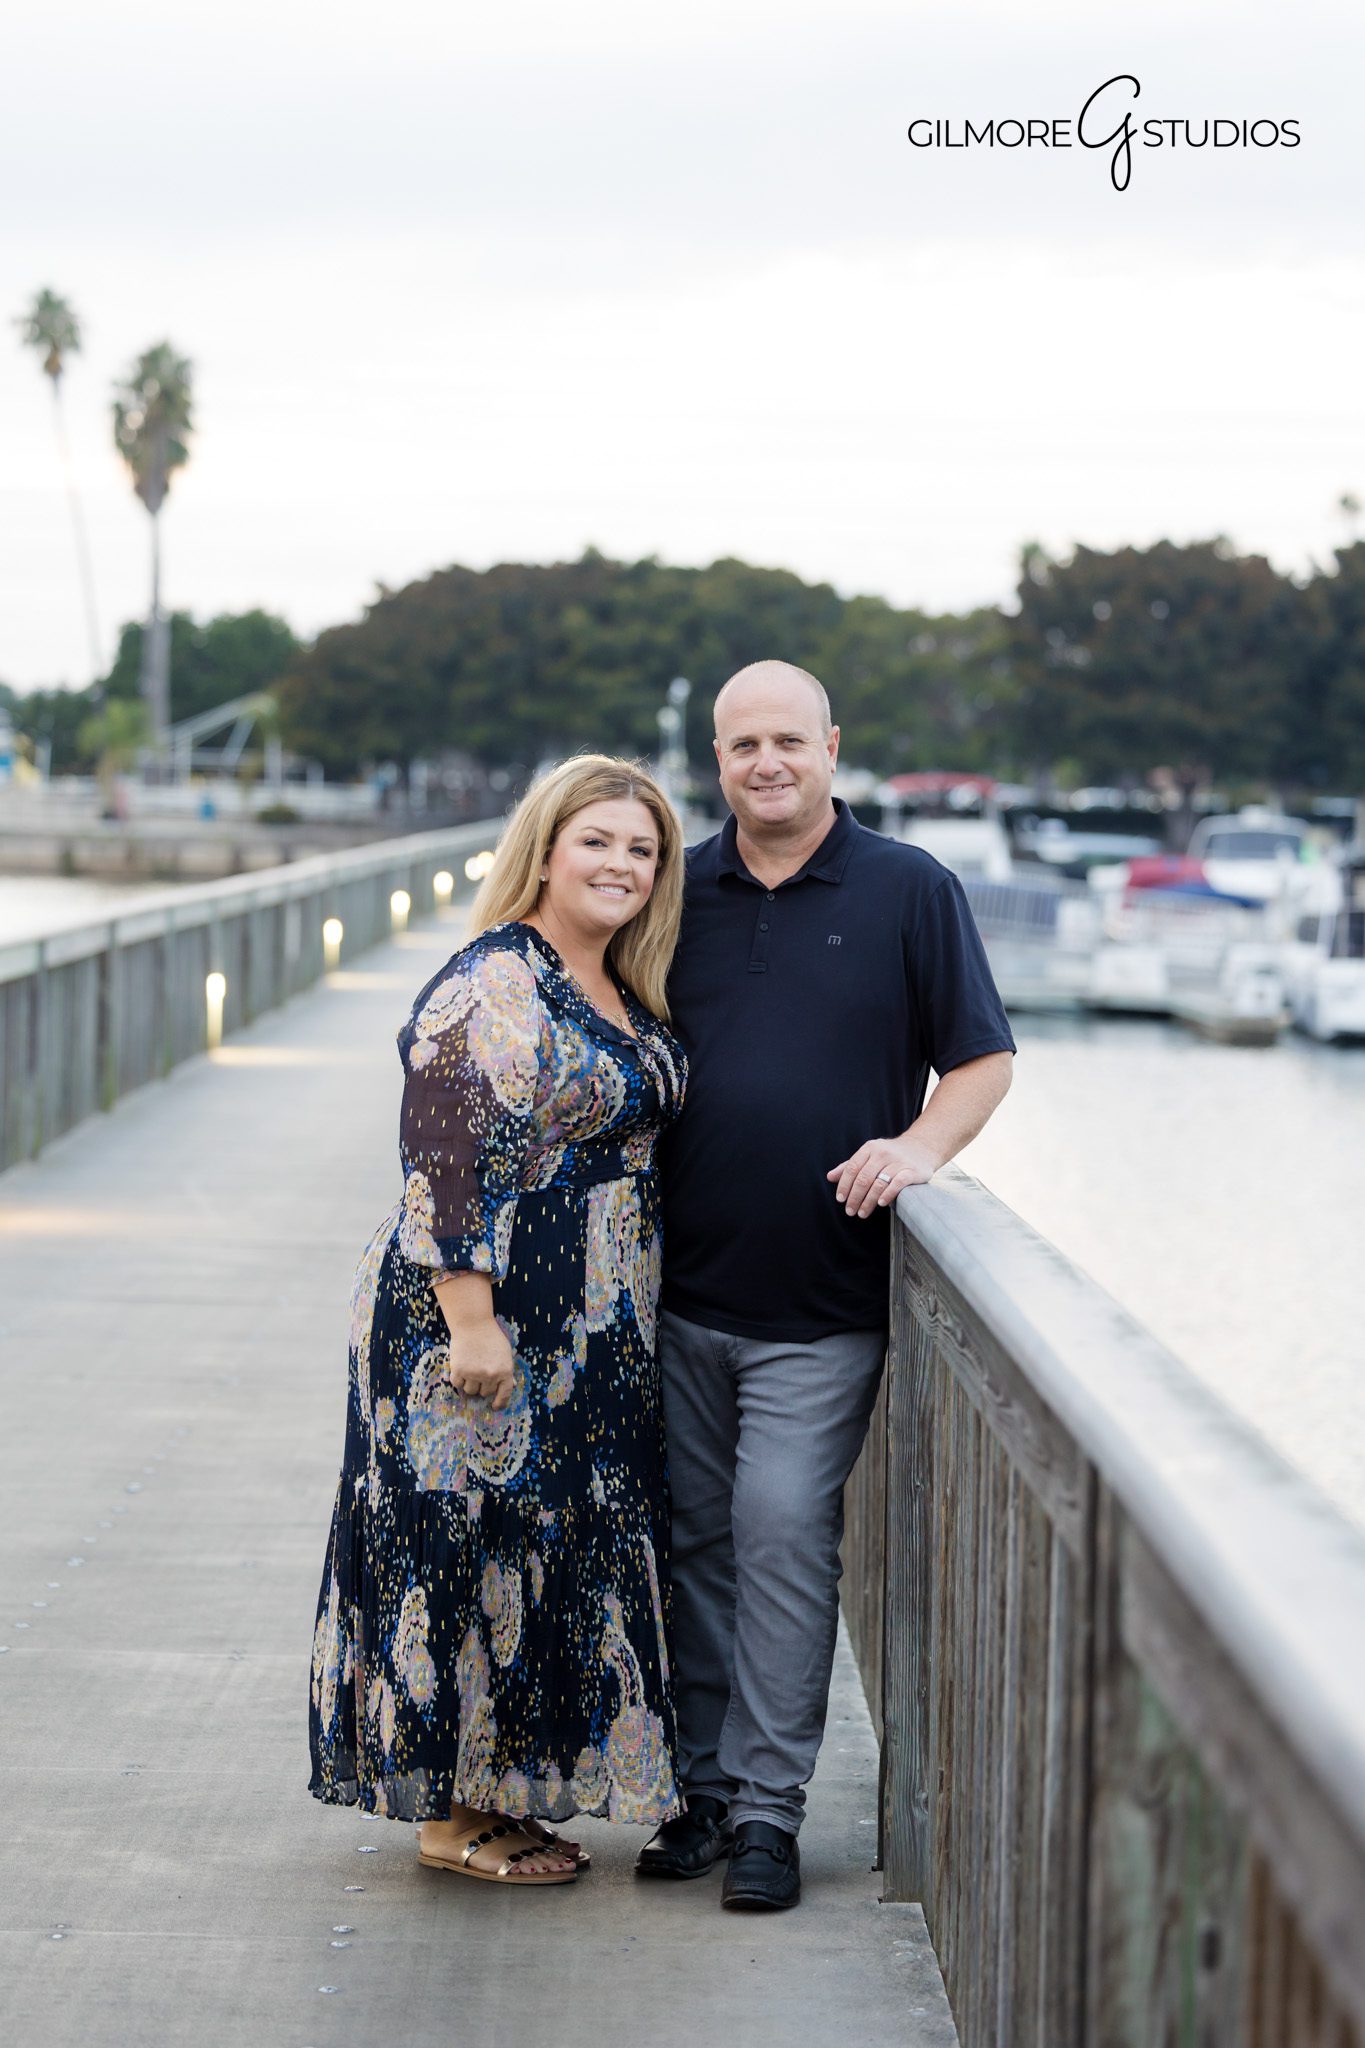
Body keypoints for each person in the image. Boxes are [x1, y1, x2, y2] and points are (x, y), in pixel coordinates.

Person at [636, 661, 1015, 1910]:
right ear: (717, 756)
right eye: (741, 743)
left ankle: (765, 1811)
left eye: (787, 739)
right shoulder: (676, 887)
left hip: (824, 1303)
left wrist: (918, 1147)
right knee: (692, 1543)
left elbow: (980, 1057)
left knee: (785, 1532)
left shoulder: (912, 888)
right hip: (677, 1291)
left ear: (832, 747)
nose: (766, 763)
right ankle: (697, 1793)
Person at [309, 755, 688, 1885]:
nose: (623, 865)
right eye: (600, 842)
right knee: (459, 1535)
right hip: (474, 1311)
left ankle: (501, 1791)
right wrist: (472, 1323)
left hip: (589, 1319)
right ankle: (447, 1813)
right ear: (545, 848)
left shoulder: (620, 976)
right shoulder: (492, 981)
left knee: (540, 1540)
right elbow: (442, 1159)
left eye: (644, 849)